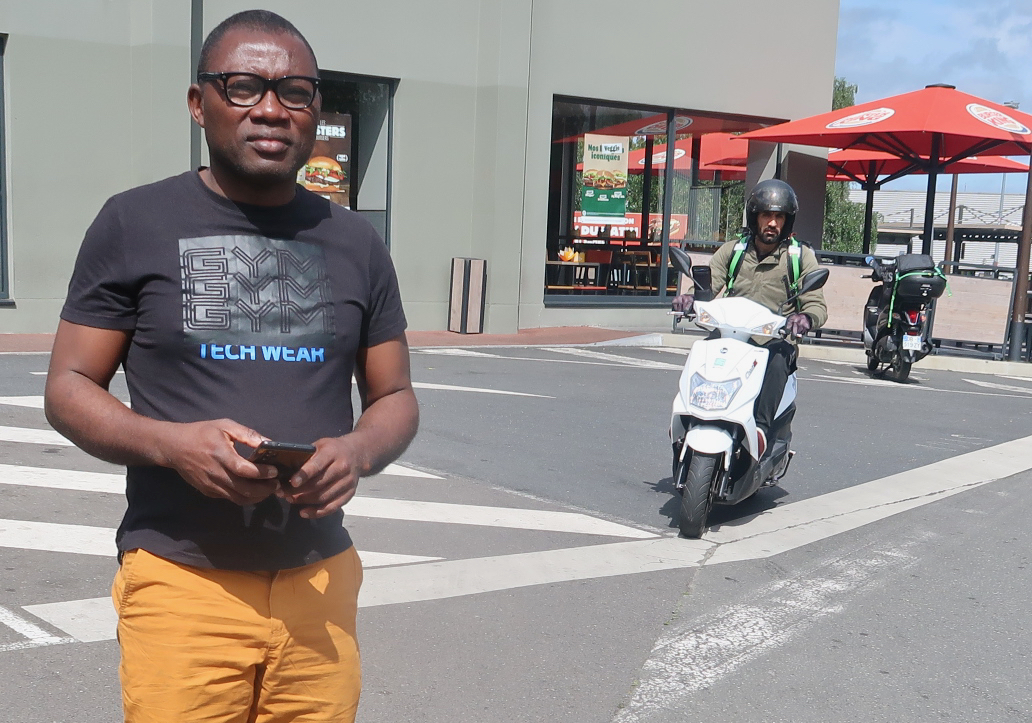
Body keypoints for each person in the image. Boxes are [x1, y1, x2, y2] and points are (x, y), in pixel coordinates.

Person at [43, 10, 418, 722]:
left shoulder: (356, 242)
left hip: (319, 581)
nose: (271, 108)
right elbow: (67, 387)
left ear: (314, 109)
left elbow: (395, 393)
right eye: (244, 86)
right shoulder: (134, 221)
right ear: (199, 104)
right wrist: (171, 443)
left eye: (295, 91)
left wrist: (357, 451)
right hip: (183, 580)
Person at [671, 179, 827, 456]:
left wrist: (805, 318)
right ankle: (689, 414)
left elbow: (816, 304)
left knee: (780, 360)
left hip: (772, 340)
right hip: (732, 334)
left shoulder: (799, 257)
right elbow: (708, 288)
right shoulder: (733, 251)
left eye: (779, 217)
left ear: (787, 221)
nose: (772, 223)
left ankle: (761, 431)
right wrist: (690, 299)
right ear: (754, 217)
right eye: (766, 215)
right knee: (702, 351)